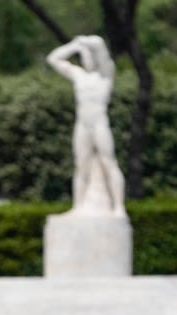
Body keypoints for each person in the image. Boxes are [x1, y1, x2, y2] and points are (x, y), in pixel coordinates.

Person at [46, 35, 126, 217]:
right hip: (82, 125)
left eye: (91, 55)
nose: (87, 59)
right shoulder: (78, 75)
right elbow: (53, 59)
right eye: (85, 56)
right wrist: (74, 46)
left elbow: (100, 47)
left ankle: (119, 207)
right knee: (81, 166)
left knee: (109, 162)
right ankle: (78, 205)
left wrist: (86, 41)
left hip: (99, 123)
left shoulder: (105, 74)